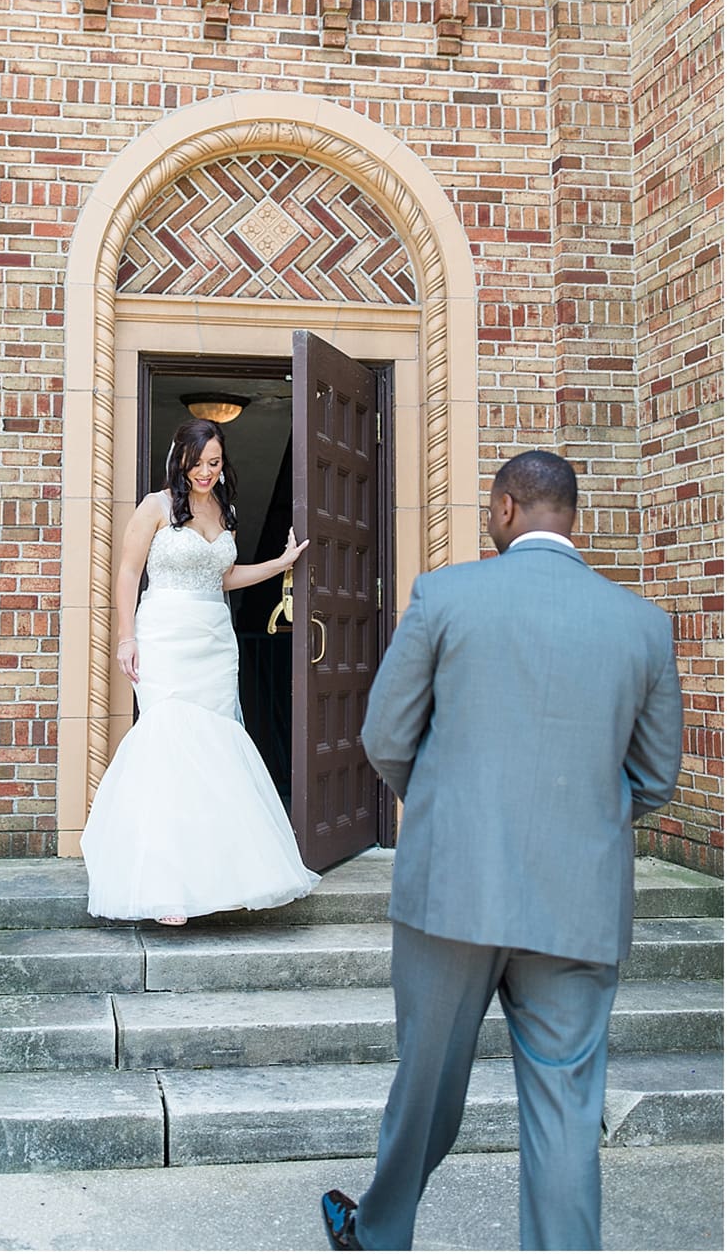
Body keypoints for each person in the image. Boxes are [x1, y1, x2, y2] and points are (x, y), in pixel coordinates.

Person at [320, 450, 683, 1251]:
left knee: (425, 1089)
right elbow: (657, 777)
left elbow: (384, 734)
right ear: (574, 517)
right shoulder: (642, 625)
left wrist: (448, 806)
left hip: (453, 887)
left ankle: (379, 1233)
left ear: (506, 509)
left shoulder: (446, 595)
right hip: (578, 899)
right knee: (565, 1115)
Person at [81, 417, 316, 925]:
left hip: (213, 637)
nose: (205, 472)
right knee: (168, 740)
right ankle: (164, 886)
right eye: (198, 463)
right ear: (179, 456)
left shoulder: (224, 510)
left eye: (214, 463)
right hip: (165, 632)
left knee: (215, 745)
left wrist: (281, 563)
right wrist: (127, 637)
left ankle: (218, 875)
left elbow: (225, 575)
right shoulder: (155, 506)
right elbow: (126, 573)